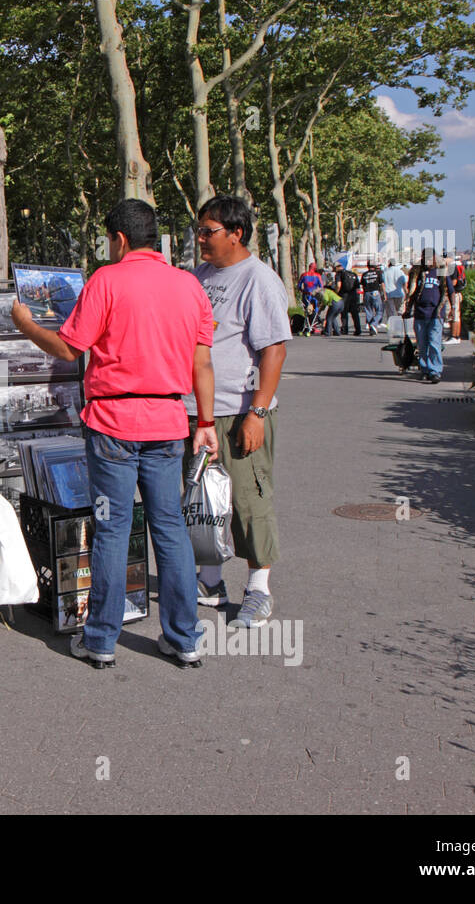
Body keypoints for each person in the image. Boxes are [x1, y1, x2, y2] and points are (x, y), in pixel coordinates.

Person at [11, 198, 218, 668]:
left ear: (119, 239)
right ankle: (183, 638)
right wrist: (205, 424)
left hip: (112, 426)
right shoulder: (189, 286)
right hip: (170, 424)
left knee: (111, 529)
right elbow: (202, 363)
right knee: (170, 529)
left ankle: (101, 639)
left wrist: (26, 324)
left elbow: (68, 348)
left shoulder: (106, 280)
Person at [185, 195, 291, 629]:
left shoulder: (258, 280)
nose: (200, 239)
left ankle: (259, 591)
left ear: (236, 233)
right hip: (199, 412)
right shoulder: (199, 276)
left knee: (250, 502)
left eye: (208, 232)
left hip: (239, 410)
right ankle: (210, 581)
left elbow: (274, 350)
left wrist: (258, 413)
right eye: (199, 231)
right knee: (202, 503)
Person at [404, 249, 454, 384]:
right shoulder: (416, 272)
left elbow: (450, 291)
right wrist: (408, 309)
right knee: (422, 343)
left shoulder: (441, 271)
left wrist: (453, 308)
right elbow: (412, 292)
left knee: (434, 342)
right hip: (420, 313)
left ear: (434, 258)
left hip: (436, 314)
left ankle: (435, 371)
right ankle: (425, 369)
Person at [336, 261, 363, 335]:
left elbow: (338, 285)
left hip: (344, 295)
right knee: (355, 313)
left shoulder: (339, 274)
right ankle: (358, 330)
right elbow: (357, 288)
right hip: (353, 295)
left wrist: (336, 293)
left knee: (344, 313)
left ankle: (345, 329)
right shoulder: (353, 274)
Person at [445, 259, 467, 344]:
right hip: (457, 294)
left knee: (454, 316)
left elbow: (454, 282)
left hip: (454, 295)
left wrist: (445, 289)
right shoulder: (454, 267)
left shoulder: (452, 268)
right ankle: (456, 336)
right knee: (456, 316)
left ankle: (455, 336)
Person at [298, 263, 323, 336]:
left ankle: (306, 326)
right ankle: (313, 327)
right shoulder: (318, 276)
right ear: (315, 268)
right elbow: (321, 287)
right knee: (315, 310)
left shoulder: (304, 275)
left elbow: (299, 286)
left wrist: (303, 291)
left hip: (306, 295)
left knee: (307, 310)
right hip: (314, 296)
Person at [361, 261, 385, 335]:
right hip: (375, 292)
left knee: (368, 310)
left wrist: (363, 296)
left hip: (366, 293)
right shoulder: (378, 273)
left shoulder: (364, 274)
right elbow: (382, 284)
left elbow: (362, 285)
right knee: (379, 310)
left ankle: (371, 326)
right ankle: (374, 324)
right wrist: (384, 294)